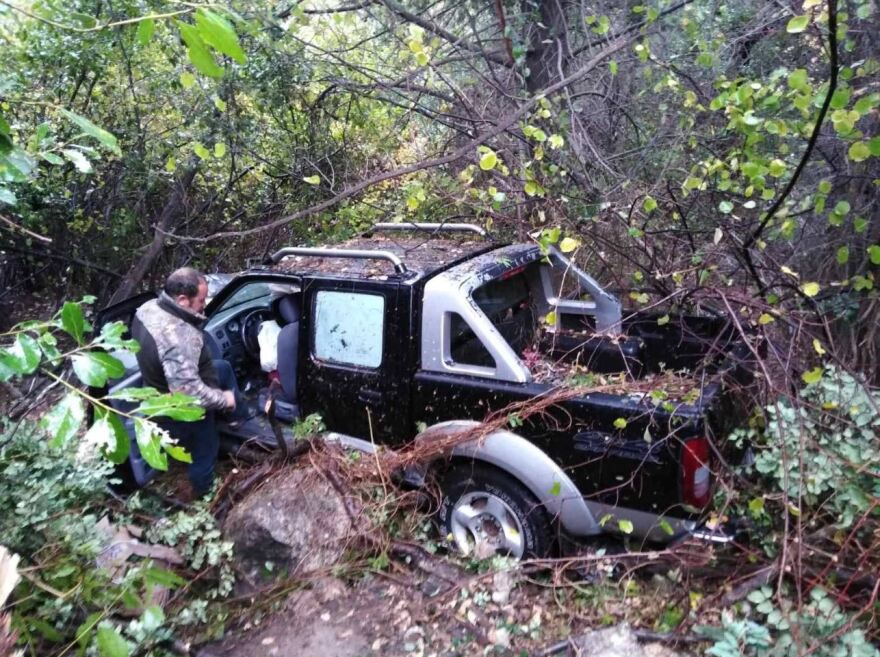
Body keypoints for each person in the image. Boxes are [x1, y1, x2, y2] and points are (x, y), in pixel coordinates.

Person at [130, 267, 241, 498]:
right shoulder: (177, 338)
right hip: (180, 410)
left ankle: (235, 420)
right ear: (182, 299)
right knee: (205, 453)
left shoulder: (146, 309)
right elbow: (191, 394)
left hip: (159, 388)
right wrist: (224, 399)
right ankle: (207, 499)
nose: (204, 304)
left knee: (224, 368)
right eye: (201, 300)